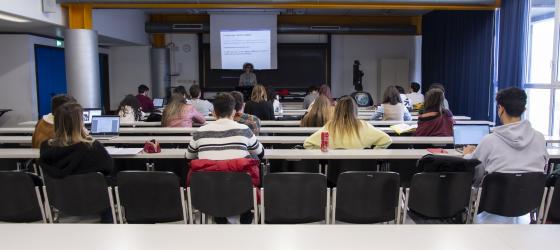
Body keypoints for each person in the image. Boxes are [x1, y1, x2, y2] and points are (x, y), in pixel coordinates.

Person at [463, 87, 548, 224]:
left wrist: (467, 155)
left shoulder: (489, 140)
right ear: (523, 110)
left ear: (500, 108)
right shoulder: (539, 138)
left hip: (493, 208)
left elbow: (475, 174)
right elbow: (543, 166)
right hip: (526, 209)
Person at [186, 93, 264, 224]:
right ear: (233, 112)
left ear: (214, 112)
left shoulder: (200, 131)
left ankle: (219, 216)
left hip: (209, 192)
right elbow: (260, 153)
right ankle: (245, 215)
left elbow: (188, 156)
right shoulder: (244, 129)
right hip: (240, 192)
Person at [39, 102, 113, 178]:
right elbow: (109, 168)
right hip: (89, 189)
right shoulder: (93, 147)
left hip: (59, 189)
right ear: (80, 123)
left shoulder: (46, 147)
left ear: (56, 123)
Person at [304, 96, 392, 149]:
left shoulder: (330, 126)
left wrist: (322, 153)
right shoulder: (364, 125)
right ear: (355, 110)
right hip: (361, 174)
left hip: (334, 175)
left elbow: (307, 144)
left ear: (337, 110)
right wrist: (373, 154)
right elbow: (386, 140)